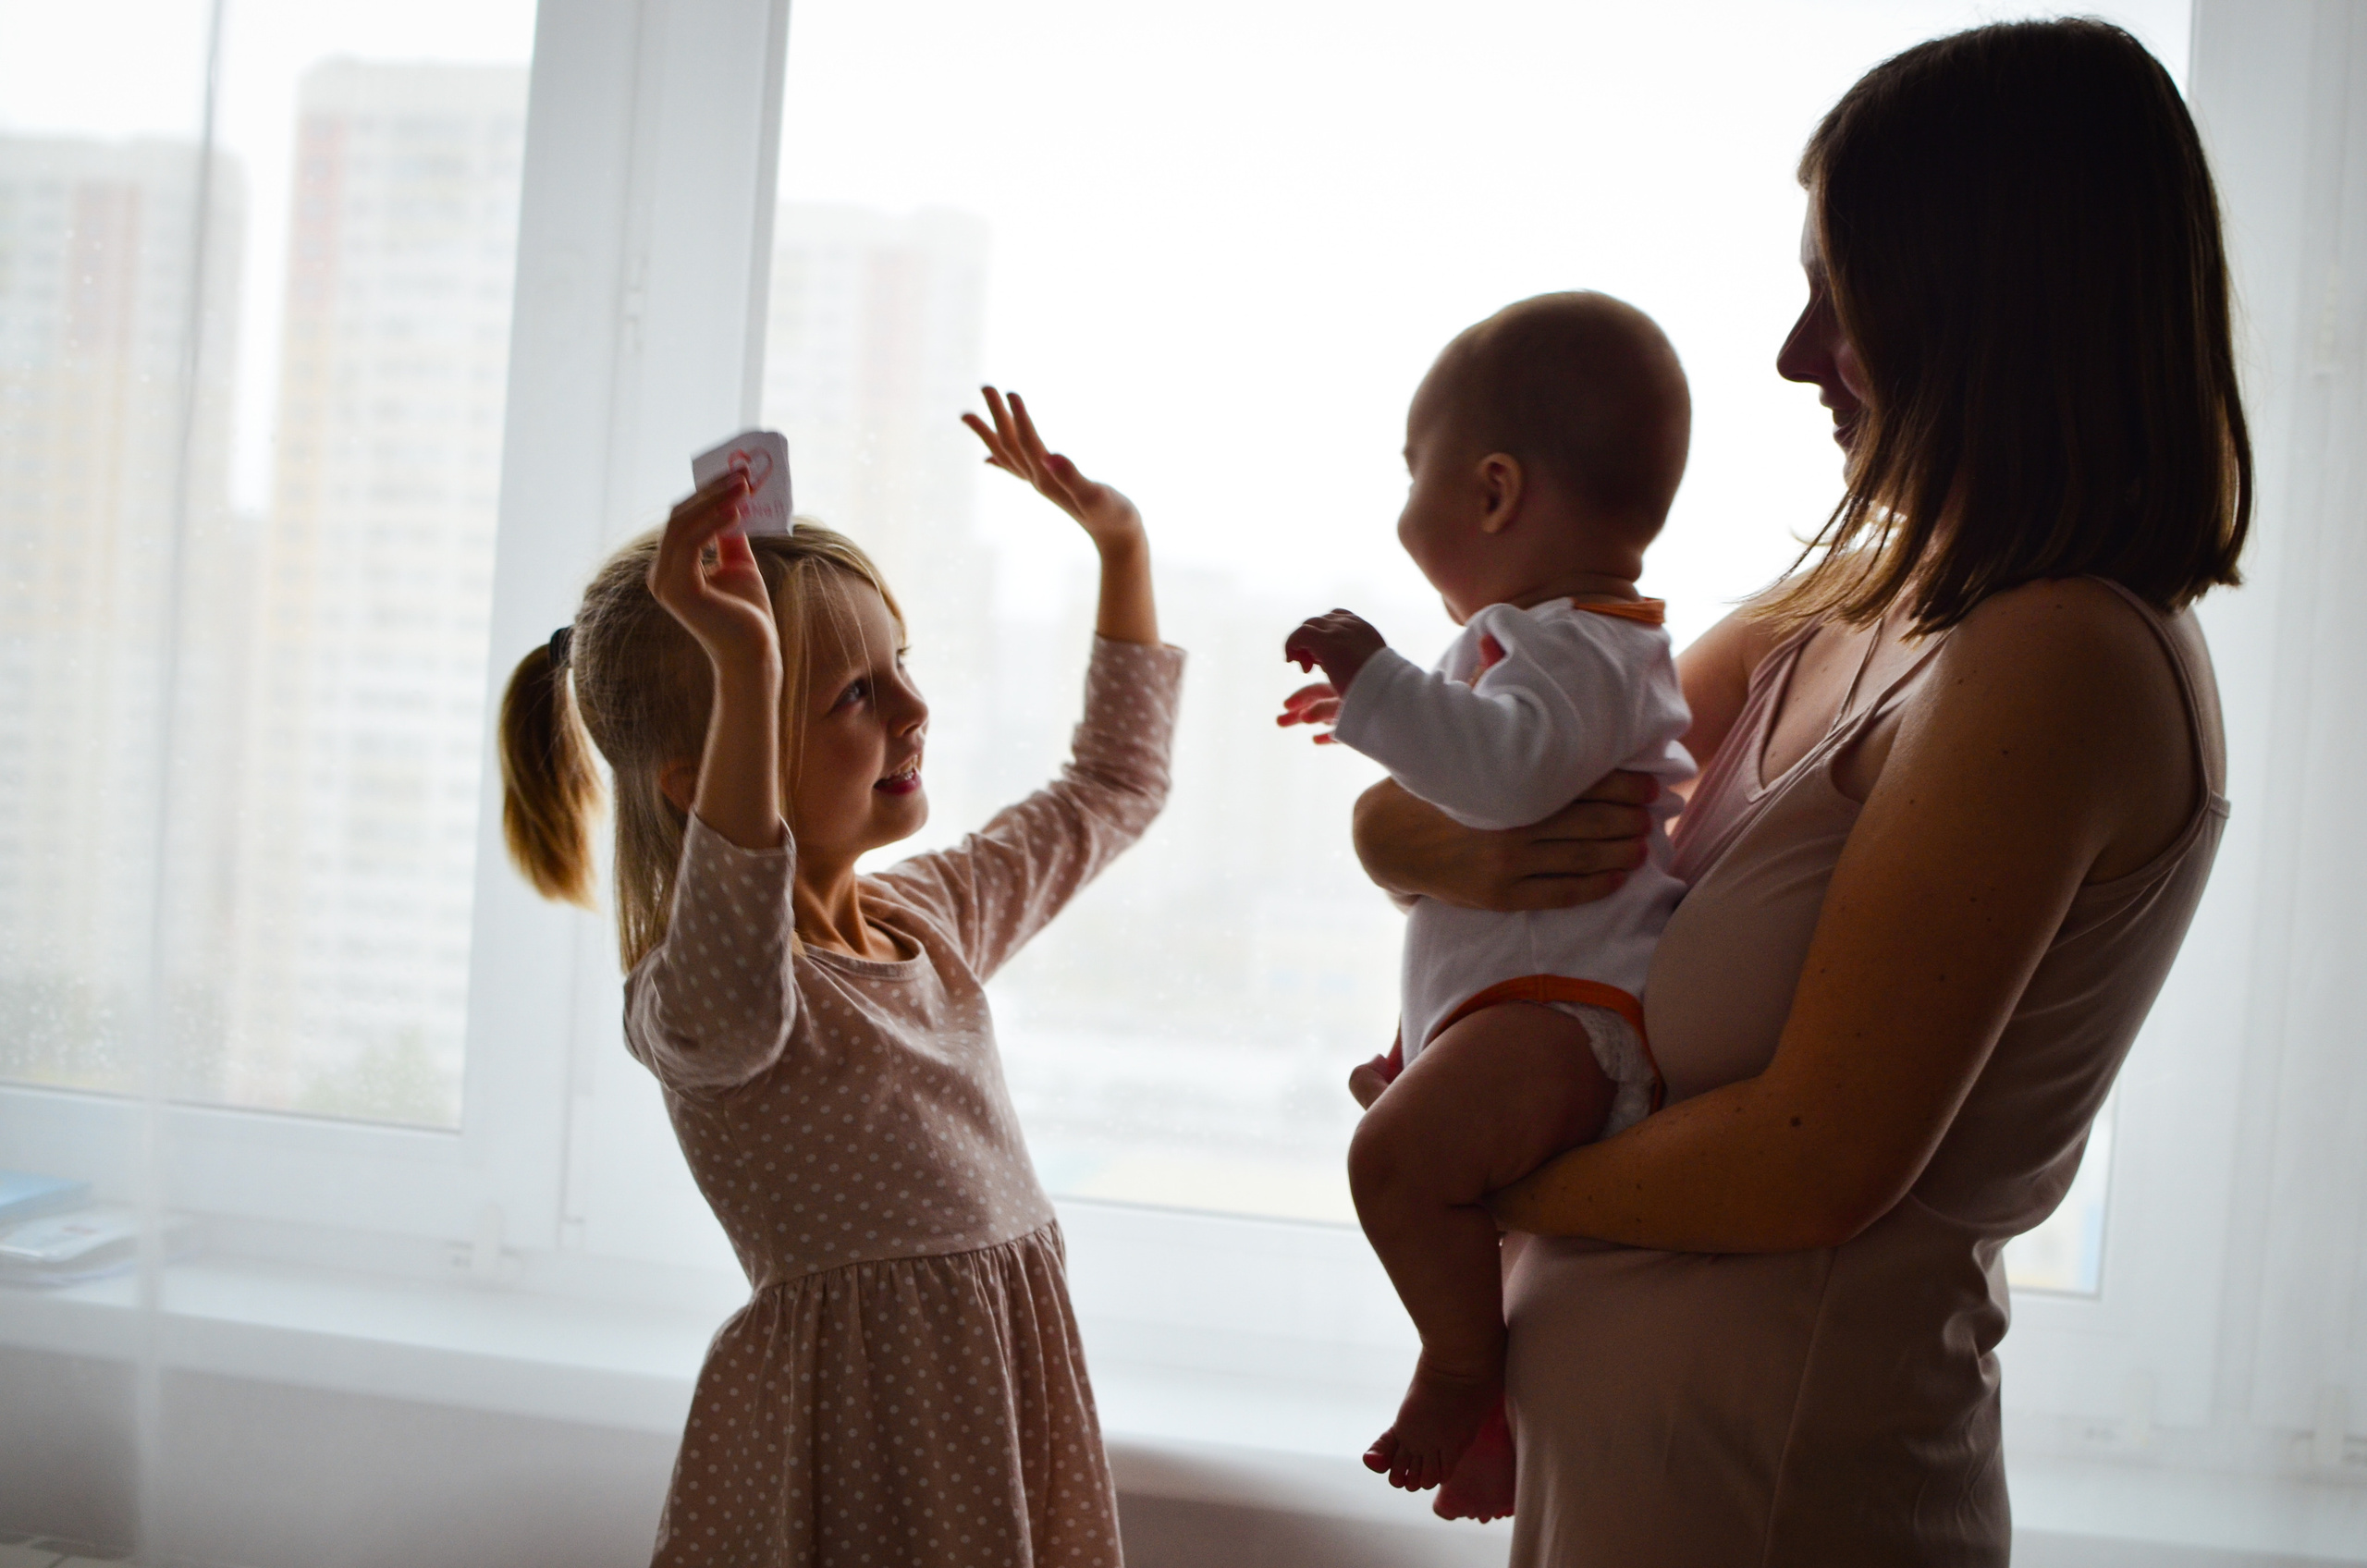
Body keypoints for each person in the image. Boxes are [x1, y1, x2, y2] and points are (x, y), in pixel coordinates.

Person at [1347, 19, 2245, 1564]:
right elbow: (1474, 798)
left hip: (1784, 1498)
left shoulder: (2063, 660)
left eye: (1842, 292)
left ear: (1987, 302)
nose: (1791, 352)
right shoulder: (1847, 601)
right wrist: (1419, 841)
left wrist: (1462, 1174)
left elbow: (1818, 1156)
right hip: (1653, 1491)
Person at [496, 388, 1182, 1567]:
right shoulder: (700, 999)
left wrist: (1120, 548)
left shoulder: (932, 917)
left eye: (898, 665)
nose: (916, 710)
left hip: (1001, 1421)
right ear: (694, 775)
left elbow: (1113, 786)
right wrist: (745, 660)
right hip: (857, 1452)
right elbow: (737, 978)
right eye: (856, 694)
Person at [1274, 292, 1693, 1503]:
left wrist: (1376, 685)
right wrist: (1392, 724)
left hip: (1565, 1019)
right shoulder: (1555, 643)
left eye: (1416, 471)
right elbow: (1479, 767)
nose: (1404, 501)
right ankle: (1497, 1419)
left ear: (1495, 491)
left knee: (1394, 1166)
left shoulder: (1578, 649)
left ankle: (1461, 1369)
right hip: (1524, 1006)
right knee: (1415, 1151)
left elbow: (1503, 781)